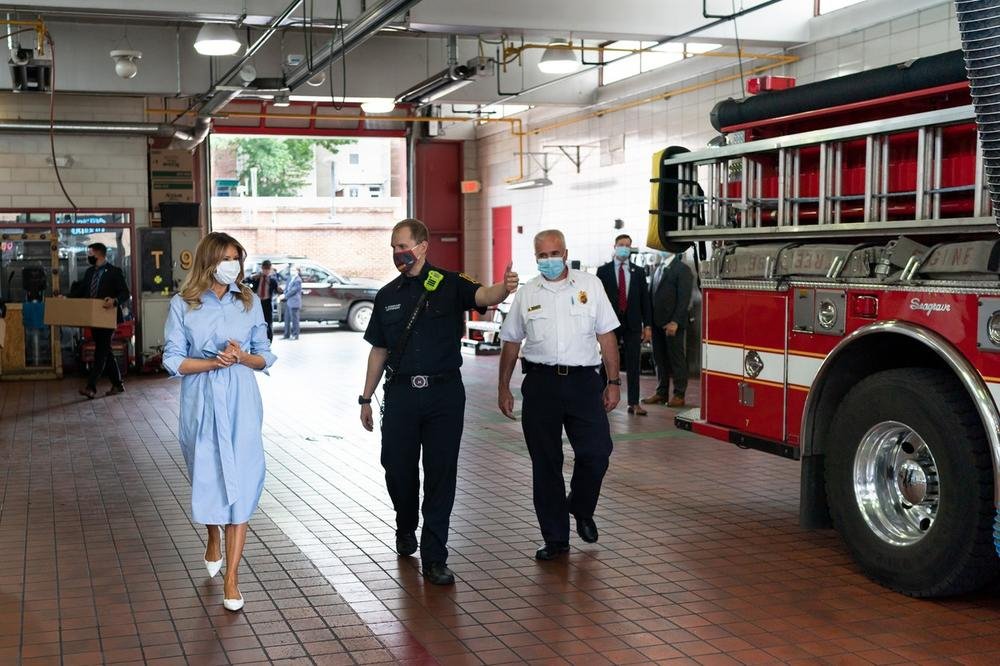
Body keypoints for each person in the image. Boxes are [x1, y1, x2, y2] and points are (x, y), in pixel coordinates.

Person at [359, 218, 518, 585]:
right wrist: (366, 398)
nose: (399, 253)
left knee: (440, 474)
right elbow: (378, 350)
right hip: (399, 395)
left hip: (443, 394)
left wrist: (504, 289)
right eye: (394, 247)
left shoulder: (449, 283)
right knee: (397, 469)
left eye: (404, 245)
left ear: (423, 246)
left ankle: (435, 556)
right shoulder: (387, 295)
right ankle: (405, 522)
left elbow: (482, 297)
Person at [162, 232, 276, 612]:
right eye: (227, 258)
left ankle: (232, 578)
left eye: (237, 259)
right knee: (208, 478)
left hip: (242, 402)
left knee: (242, 482)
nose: (234, 266)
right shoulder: (184, 304)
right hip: (202, 402)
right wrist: (213, 362)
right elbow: (174, 359)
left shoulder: (250, 302)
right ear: (209, 261)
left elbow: (264, 356)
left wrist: (241, 356)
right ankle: (213, 535)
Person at [498, 229, 621, 561]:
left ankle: (580, 508)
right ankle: (555, 539)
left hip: (584, 383)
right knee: (546, 463)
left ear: (565, 253)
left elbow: (607, 335)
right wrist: (503, 387)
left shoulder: (589, 286)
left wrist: (613, 382)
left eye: (554, 254)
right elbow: (511, 341)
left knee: (597, 452)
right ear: (535, 257)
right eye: (542, 255)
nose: (548, 260)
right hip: (541, 384)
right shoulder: (526, 293)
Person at [596, 234, 652, 415]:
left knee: (633, 362)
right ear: (614, 246)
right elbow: (598, 300)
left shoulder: (638, 271)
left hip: (633, 323)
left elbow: (645, 300)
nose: (624, 248)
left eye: (627, 245)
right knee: (607, 359)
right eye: (621, 245)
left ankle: (634, 403)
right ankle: (599, 397)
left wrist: (648, 325)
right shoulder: (603, 271)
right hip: (610, 323)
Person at [70, 242, 131, 399]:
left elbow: (125, 293)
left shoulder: (114, 272)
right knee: (105, 350)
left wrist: (115, 301)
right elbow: (82, 290)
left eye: (90, 253)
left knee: (101, 352)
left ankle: (91, 387)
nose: (87, 256)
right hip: (94, 317)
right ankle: (118, 384)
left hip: (108, 317)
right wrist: (67, 298)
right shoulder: (90, 272)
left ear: (99, 254)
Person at [643, 250, 694, 408]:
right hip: (657, 324)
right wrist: (649, 324)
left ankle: (679, 394)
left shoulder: (682, 269)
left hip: (672, 324)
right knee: (660, 359)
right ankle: (661, 392)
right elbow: (652, 296)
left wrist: (675, 321)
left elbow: (684, 299)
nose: (660, 251)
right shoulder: (658, 268)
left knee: (676, 359)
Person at [248, 260, 280, 341]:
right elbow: (246, 280)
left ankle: (269, 340)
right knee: (256, 322)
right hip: (257, 303)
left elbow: (277, 290)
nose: (266, 271)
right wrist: (252, 277)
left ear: (270, 269)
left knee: (268, 323)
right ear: (262, 268)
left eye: (268, 269)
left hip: (267, 303)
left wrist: (279, 290)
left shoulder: (272, 280)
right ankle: (256, 339)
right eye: (265, 269)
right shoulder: (257, 277)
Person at [282, 265, 302, 340]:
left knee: (295, 320)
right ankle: (286, 334)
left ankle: (295, 335)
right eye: (291, 270)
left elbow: (293, 291)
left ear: (297, 271)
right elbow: (287, 288)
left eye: (293, 270)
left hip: (294, 302)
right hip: (288, 301)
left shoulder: (298, 280)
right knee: (286, 319)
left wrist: (285, 296)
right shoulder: (290, 278)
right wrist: (284, 293)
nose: (292, 271)